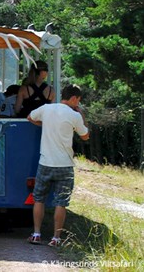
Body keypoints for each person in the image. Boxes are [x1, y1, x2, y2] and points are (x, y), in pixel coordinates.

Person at [26, 84, 89, 247]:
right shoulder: (74, 115)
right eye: (78, 101)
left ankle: (37, 234)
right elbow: (85, 136)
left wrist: (44, 126)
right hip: (65, 165)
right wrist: (80, 113)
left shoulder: (46, 109)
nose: (78, 104)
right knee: (61, 202)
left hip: (45, 163)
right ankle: (56, 238)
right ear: (74, 98)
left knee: (39, 199)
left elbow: (30, 117)